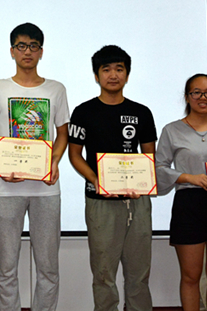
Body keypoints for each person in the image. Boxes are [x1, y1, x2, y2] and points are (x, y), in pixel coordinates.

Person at [0, 22, 69, 311]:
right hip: (7, 187)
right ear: (12, 51)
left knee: (48, 267)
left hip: (46, 188)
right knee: (6, 266)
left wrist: (54, 161)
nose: (27, 51)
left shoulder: (56, 89)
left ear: (41, 51)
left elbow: (63, 133)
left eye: (33, 46)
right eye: (21, 46)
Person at [68, 45, 156, 311]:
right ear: (96, 75)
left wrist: (141, 182)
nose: (113, 75)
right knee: (104, 274)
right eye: (106, 69)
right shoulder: (83, 112)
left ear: (127, 74)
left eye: (119, 69)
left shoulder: (142, 112)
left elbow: (149, 157)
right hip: (100, 201)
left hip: (137, 201)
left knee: (139, 274)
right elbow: (75, 155)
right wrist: (96, 180)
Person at [155, 74, 207, 311]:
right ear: (187, 97)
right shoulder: (171, 130)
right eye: (196, 92)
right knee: (191, 276)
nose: (203, 97)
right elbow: (159, 168)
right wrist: (188, 177)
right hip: (188, 203)